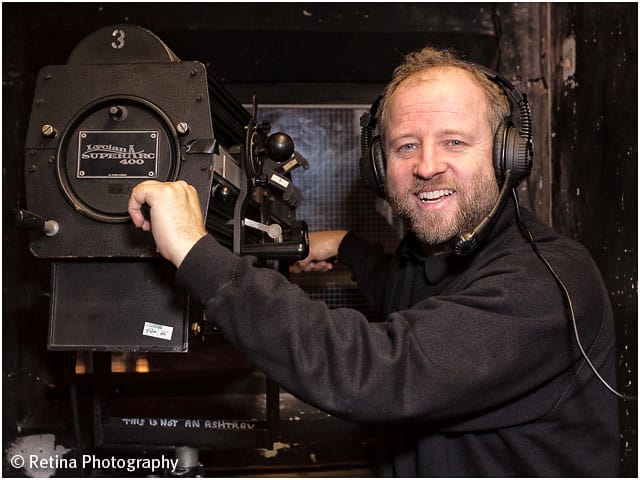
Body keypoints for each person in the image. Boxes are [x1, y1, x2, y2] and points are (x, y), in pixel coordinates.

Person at [128, 47, 620, 476]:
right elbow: (396, 286)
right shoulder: (429, 256)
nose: (427, 166)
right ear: (380, 167)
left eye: (454, 141)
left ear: (508, 155)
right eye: (406, 146)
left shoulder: (547, 284)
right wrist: (343, 243)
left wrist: (197, 253)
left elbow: (379, 369)